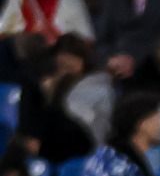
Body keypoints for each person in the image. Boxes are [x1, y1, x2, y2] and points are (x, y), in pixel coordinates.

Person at [16, 34, 107, 165]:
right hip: (51, 141)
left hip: (79, 145)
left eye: (70, 66)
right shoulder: (47, 85)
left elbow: (84, 129)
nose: (65, 72)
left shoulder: (95, 87)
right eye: (62, 65)